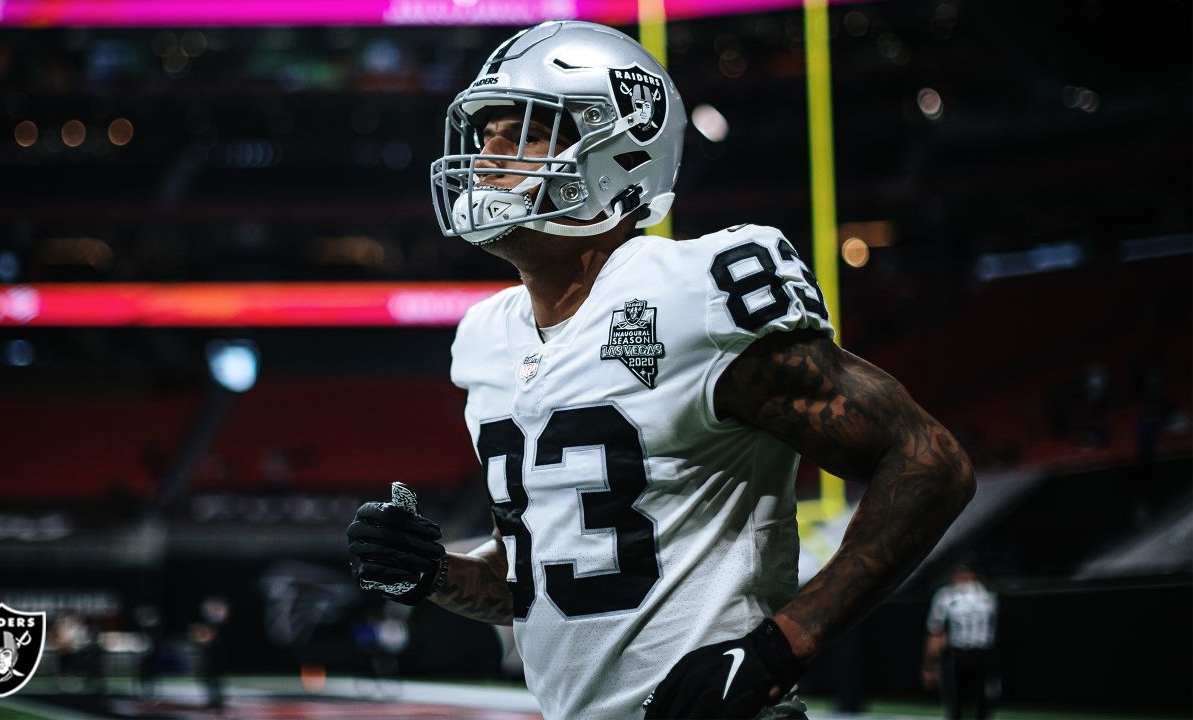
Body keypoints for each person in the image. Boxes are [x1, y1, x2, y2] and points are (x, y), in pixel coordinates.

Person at [347, 20, 975, 720]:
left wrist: (780, 647)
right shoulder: (485, 339)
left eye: (521, 133)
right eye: (484, 133)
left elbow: (928, 463)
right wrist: (433, 574)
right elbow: (553, 574)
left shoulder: (696, 291)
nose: (486, 156)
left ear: (618, 150)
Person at [922, 565, 999, 720]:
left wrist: (929, 664)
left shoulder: (947, 595)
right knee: (982, 702)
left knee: (956, 704)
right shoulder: (988, 594)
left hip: (959, 656)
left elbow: (936, 633)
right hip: (984, 655)